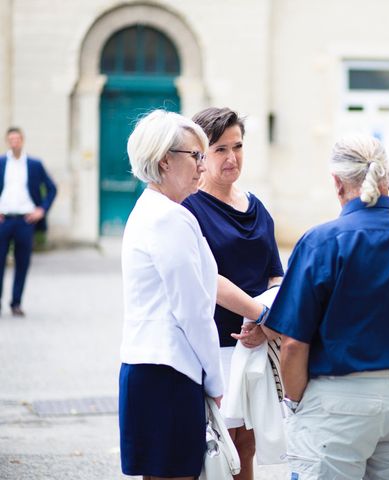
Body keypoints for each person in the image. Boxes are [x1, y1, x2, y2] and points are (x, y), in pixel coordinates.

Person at [262, 133, 389, 480]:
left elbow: (293, 343)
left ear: (337, 183)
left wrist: (294, 404)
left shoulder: (321, 241)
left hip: (338, 400)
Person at [119, 109, 224, 479]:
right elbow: (193, 310)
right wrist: (215, 380)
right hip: (169, 372)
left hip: (148, 368)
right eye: (195, 155)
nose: (202, 165)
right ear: (165, 160)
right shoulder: (169, 217)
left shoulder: (150, 209)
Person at [182, 107, 284, 480]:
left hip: (256, 348)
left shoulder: (257, 207)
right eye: (220, 149)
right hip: (215, 347)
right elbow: (210, 278)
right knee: (216, 450)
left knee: (247, 446)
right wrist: (261, 315)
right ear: (201, 156)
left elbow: (276, 275)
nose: (231, 157)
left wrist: (267, 324)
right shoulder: (189, 209)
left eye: (237, 146)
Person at [0, 127, 57, 317]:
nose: (14, 142)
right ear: (8, 141)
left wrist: (42, 210)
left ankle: (16, 303)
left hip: (25, 221)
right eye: (11, 139)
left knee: (22, 263)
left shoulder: (34, 164)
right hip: (3, 220)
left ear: (22, 140)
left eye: (17, 139)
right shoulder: (1, 162)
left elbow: (51, 188)